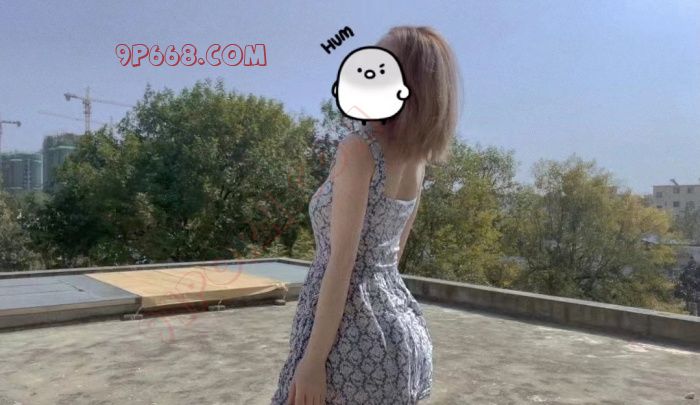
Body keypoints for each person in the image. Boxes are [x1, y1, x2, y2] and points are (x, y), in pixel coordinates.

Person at [271, 25, 461, 404]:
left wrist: (313, 361)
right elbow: (391, 257)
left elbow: (342, 263)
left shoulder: (359, 149)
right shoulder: (418, 160)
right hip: (399, 335)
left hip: (348, 343)